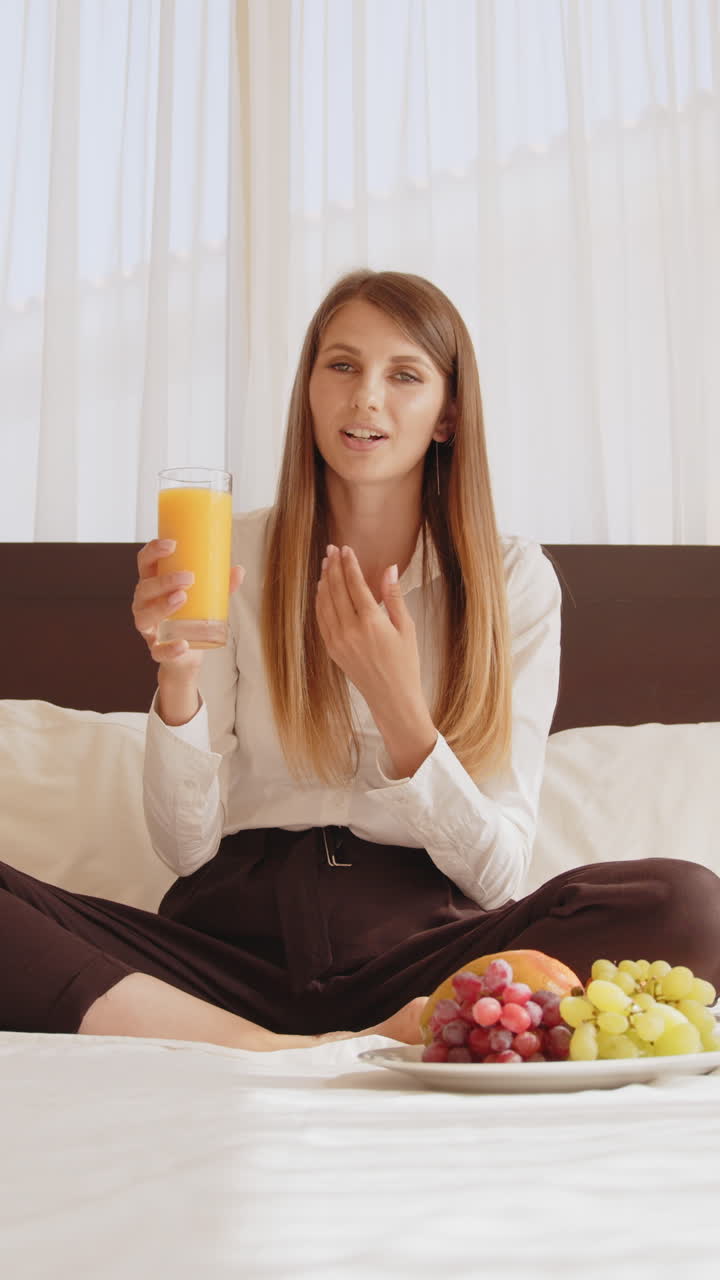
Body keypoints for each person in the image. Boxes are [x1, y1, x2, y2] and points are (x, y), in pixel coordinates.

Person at [2, 269, 719, 1051]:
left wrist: (397, 706)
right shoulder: (232, 553)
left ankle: (361, 1029)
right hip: (223, 951)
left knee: (685, 903)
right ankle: (283, 1051)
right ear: (309, 388)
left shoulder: (510, 578)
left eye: (403, 374)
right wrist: (176, 678)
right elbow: (184, 849)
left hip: (424, 960)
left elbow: (500, 875)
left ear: (447, 414)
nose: (365, 396)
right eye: (341, 365)